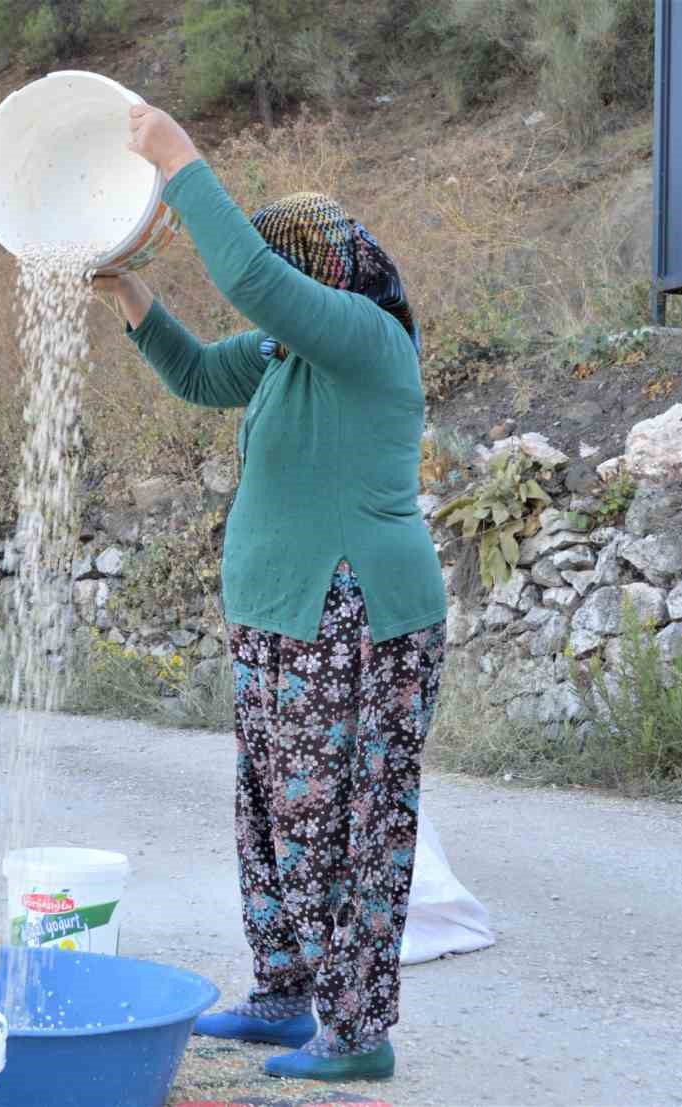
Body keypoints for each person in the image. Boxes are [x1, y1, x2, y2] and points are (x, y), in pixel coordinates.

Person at [95, 105, 449, 1084]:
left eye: (288, 274)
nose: (273, 297)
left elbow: (250, 276)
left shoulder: (362, 339)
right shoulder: (283, 355)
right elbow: (199, 372)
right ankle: (288, 997)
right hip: (278, 625)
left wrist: (172, 157)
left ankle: (356, 1034)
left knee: (340, 826)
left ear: (322, 274)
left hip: (354, 622)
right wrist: (127, 289)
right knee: (271, 815)